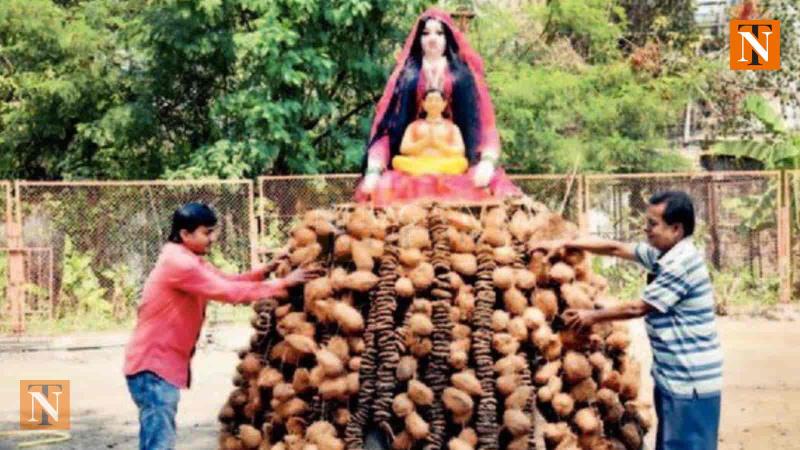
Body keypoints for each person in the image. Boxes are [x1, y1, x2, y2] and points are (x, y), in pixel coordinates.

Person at [123, 202, 319, 450]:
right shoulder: (179, 264)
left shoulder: (187, 258)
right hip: (152, 368)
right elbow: (228, 292)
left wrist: (265, 271)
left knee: (158, 437)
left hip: (156, 366)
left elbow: (226, 280)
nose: (212, 238)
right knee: (159, 442)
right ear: (185, 234)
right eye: (206, 232)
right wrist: (283, 283)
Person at [545, 191, 723, 450]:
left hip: (690, 381)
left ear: (676, 229)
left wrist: (590, 316)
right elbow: (616, 248)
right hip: (672, 377)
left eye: (653, 224)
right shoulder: (665, 253)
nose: (646, 229)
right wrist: (568, 243)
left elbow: (637, 307)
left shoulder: (680, 264)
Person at [354, 7, 519, 205]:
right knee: (388, 185)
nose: (432, 39)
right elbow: (387, 130)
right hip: (412, 169)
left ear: (448, 38)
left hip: (455, 167)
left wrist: (487, 162)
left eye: (439, 33)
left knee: (480, 183)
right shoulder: (406, 78)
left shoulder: (464, 77)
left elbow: (485, 126)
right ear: (418, 39)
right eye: (426, 33)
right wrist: (374, 168)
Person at [393, 88, 468, 176]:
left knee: (462, 162)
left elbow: (460, 151)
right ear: (423, 104)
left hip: (443, 164)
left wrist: (438, 144)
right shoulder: (413, 126)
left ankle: (429, 172)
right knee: (397, 160)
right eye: (430, 100)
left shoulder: (452, 127)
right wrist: (424, 142)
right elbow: (404, 149)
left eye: (437, 100)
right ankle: (429, 172)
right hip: (418, 163)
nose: (433, 103)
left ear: (444, 104)